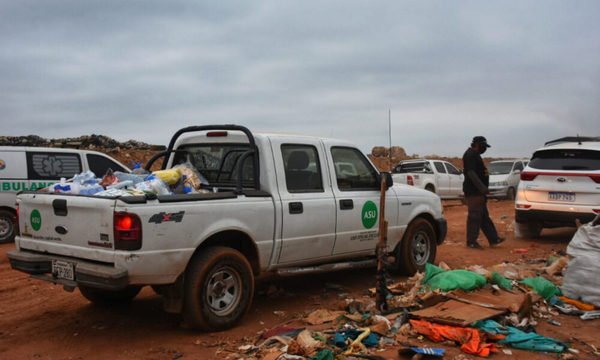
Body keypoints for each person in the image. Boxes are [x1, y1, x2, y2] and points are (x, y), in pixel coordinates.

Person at [462, 136, 506, 249]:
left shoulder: (475, 155)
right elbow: (471, 173)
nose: (484, 149)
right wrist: (482, 188)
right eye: (483, 146)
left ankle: (493, 238)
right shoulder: (470, 155)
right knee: (475, 217)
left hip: (479, 193)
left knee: (483, 216)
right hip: (474, 192)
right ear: (477, 144)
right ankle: (471, 242)